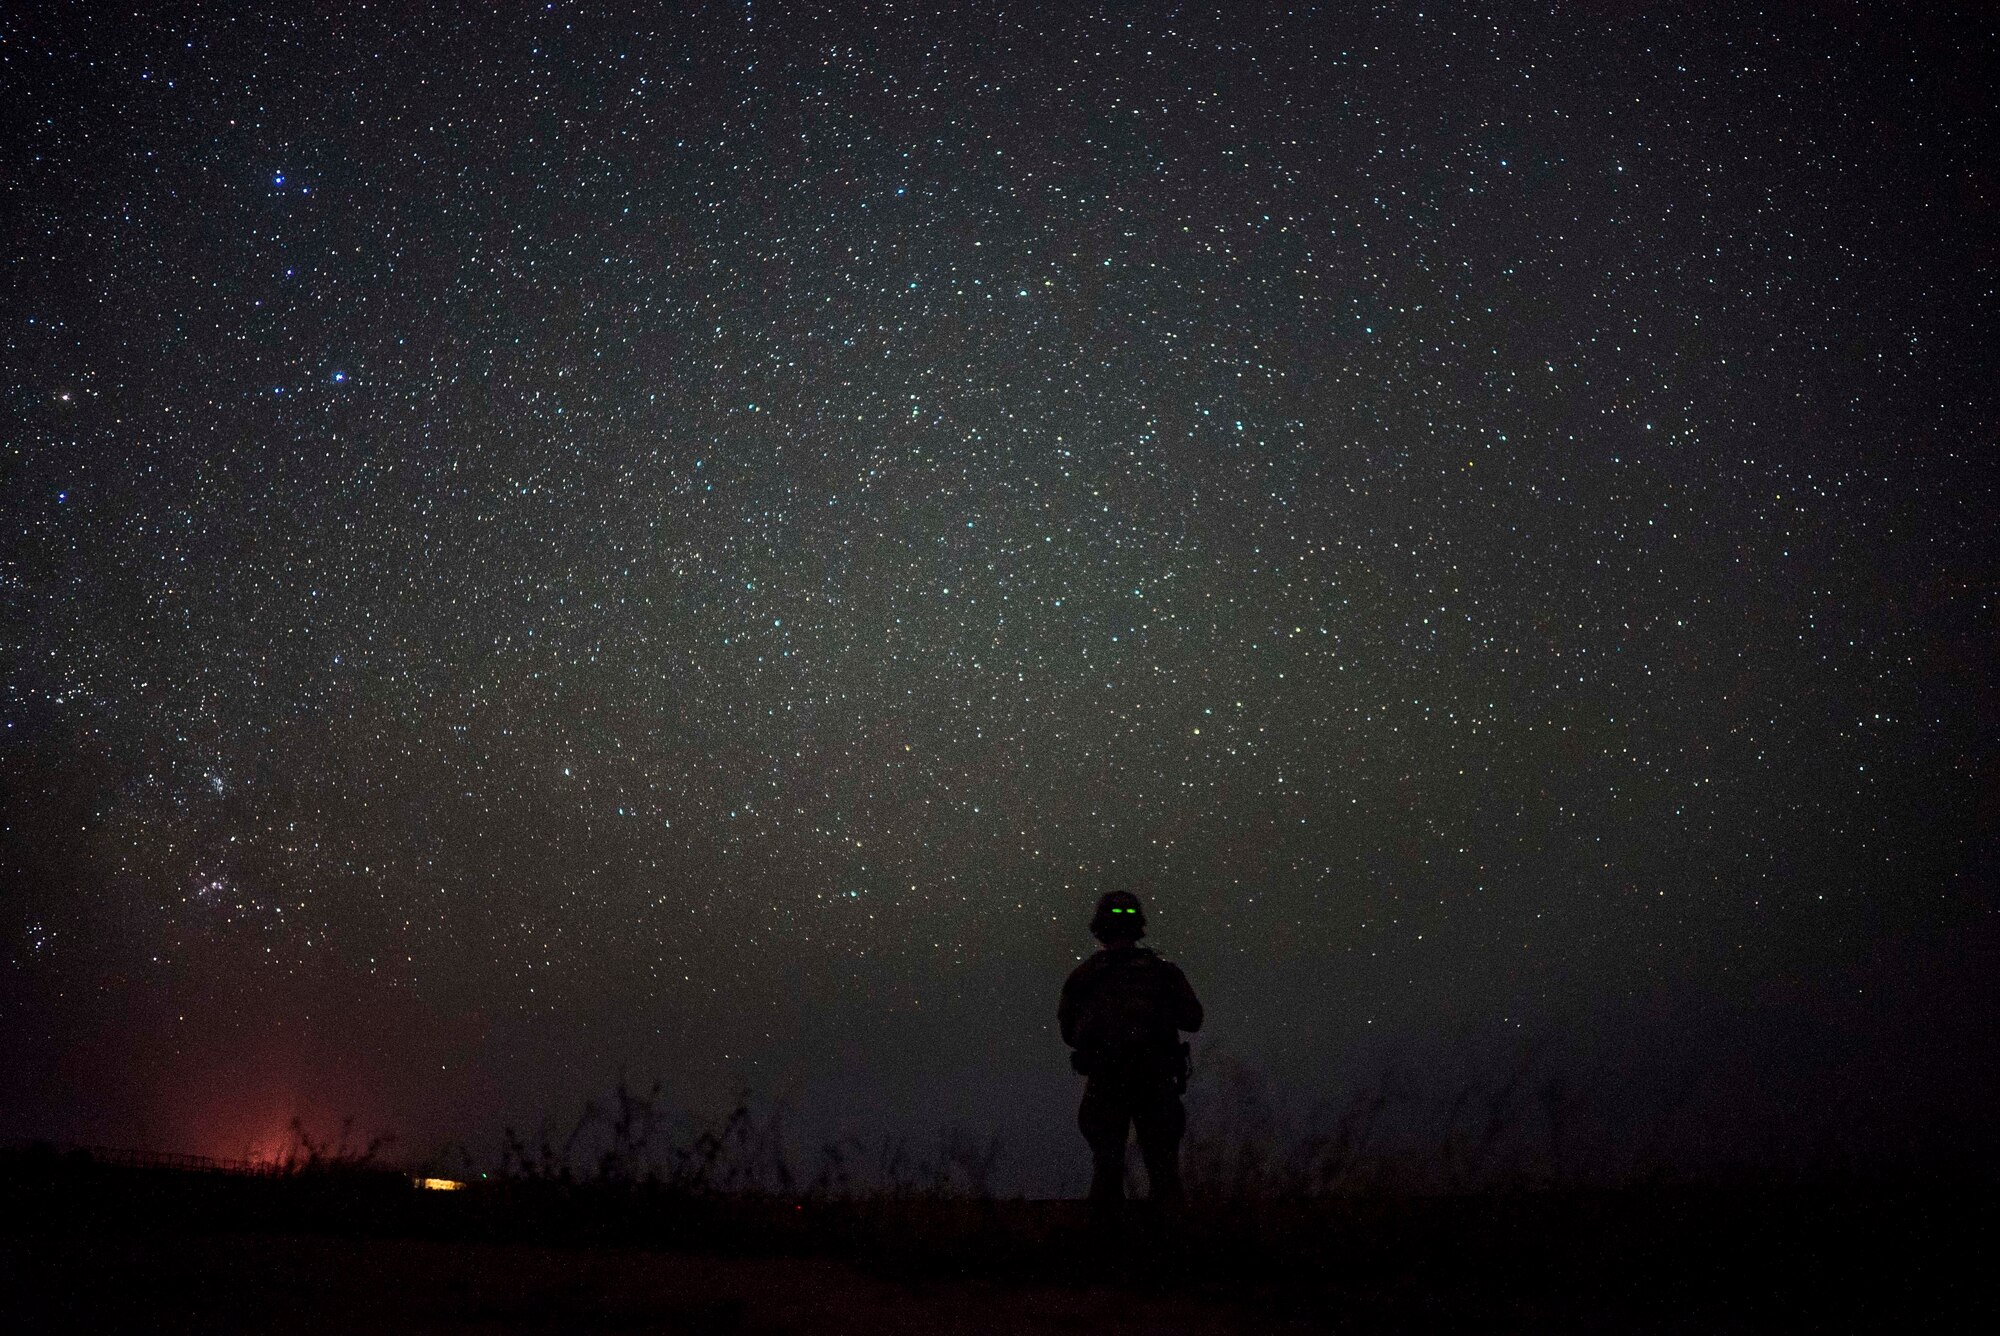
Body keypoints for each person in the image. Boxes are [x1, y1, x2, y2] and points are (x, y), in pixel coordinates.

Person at [1058, 888, 1203, 1225]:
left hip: (1109, 1085)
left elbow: (1069, 1033)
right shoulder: (1163, 973)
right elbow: (1192, 1018)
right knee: (1163, 1171)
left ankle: (1108, 1256)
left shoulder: (1084, 977)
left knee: (1108, 1170)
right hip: (1154, 1084)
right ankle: (1171, 1255)